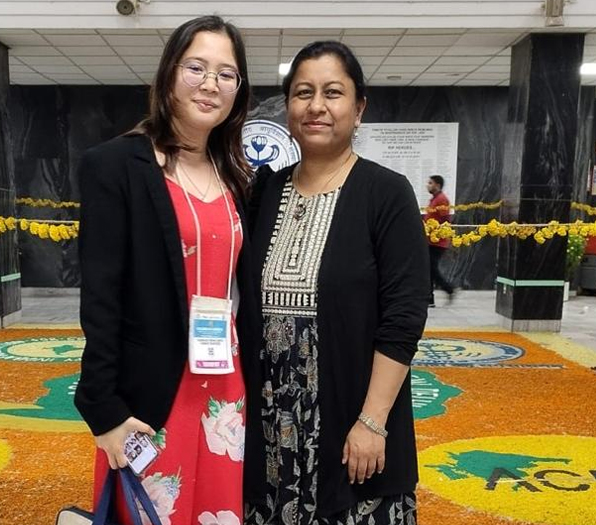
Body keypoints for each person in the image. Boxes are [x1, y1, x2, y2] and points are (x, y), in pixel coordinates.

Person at [74, 15, 261, 525]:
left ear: (239, 90)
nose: (210, 84)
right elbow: (101, 297)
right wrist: (103, 410)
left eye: (226, 74)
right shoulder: (116, 165)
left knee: (218, 513)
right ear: (169, 74)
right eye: (196, 67)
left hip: (224, 387)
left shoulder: (235, 176)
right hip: (153, 390)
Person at [244, 41, 429, 525]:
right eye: (303, 93)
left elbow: (404, 315)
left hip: (353, 422)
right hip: (269, 427)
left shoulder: (386, 192)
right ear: (288, 107)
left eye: (332, 92)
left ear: (358, 107)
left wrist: (373, 422)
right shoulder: (263, 192)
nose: (316, 106)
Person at [424, 175, 455, 307]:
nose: (428, 185)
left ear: (437, 185)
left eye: (430, 183)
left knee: (430, 269)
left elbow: (445, 220)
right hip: (431, 240)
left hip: (437, 242)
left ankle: (448, 290)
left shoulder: (441, 200)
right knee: (429, 269)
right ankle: (430, 298)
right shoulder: (435, 199)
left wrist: (436, 231)